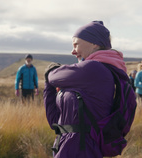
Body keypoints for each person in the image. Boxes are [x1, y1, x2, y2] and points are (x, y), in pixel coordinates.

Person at [44, 21, 129, 158]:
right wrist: (49, 86)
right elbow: (55, 122)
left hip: (82, 150)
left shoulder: (94, 69)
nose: (72, 51)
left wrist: (51, 74)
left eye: (76, 44)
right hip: (67, 148)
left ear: (94, 43)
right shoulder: (86, 76)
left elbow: (54, 76)